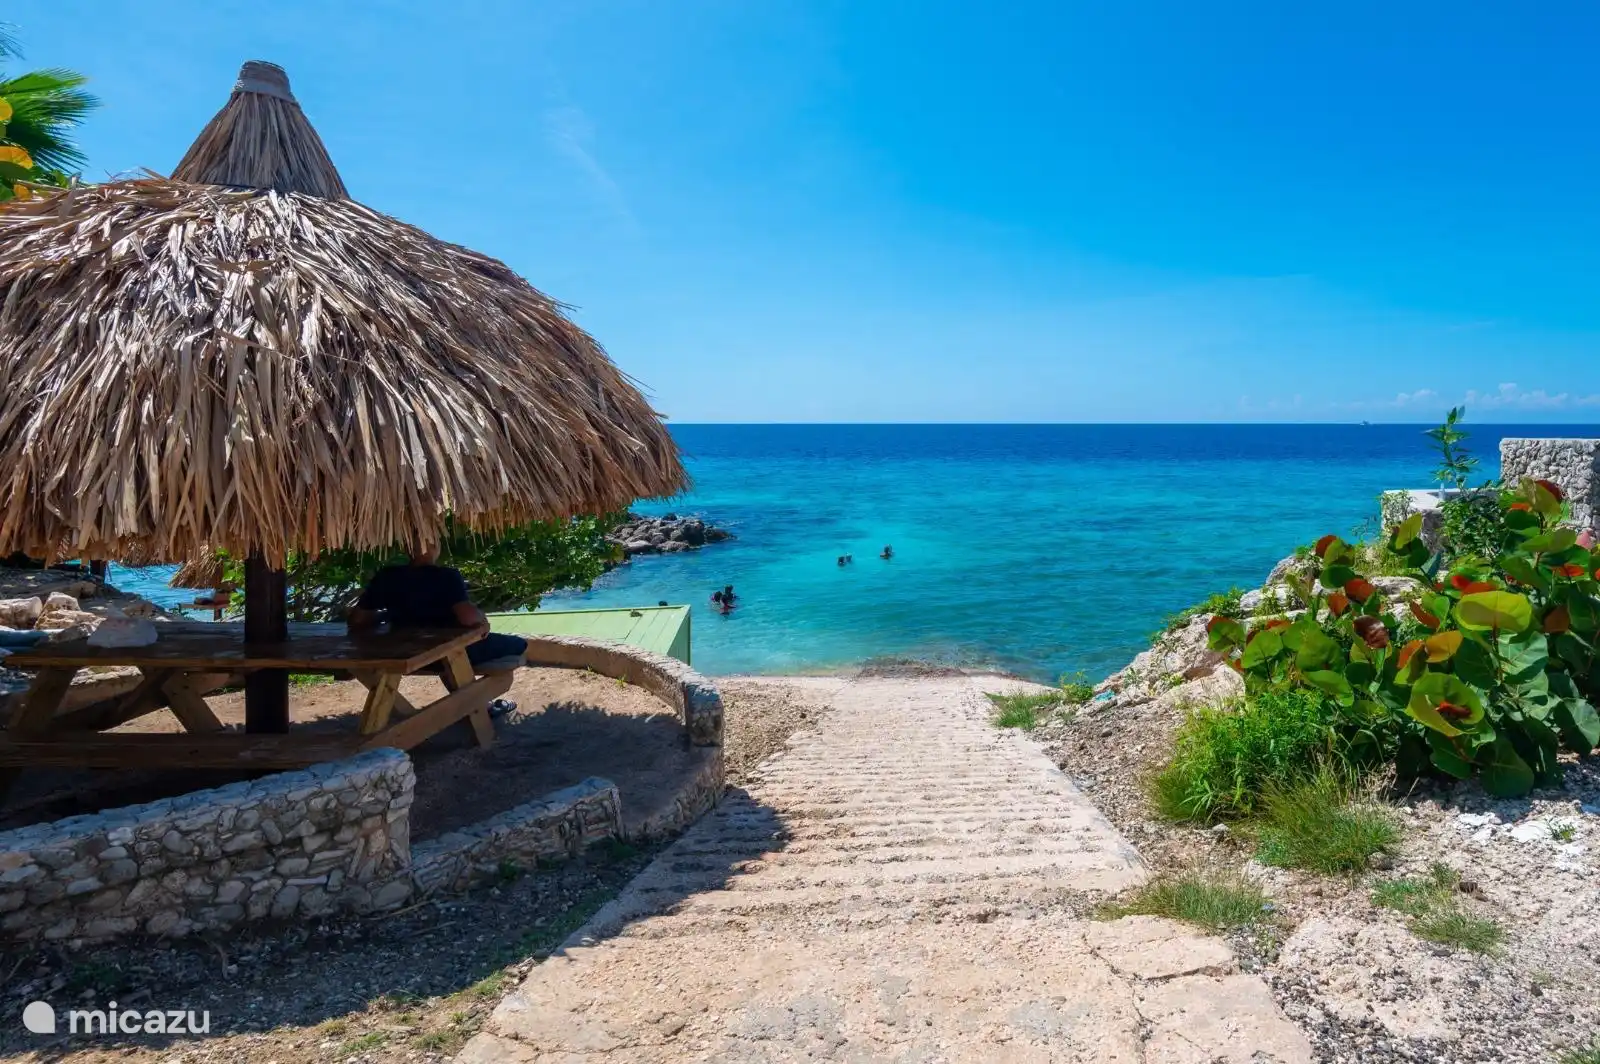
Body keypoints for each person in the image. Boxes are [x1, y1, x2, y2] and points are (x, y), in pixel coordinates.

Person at [347, 540, 528, 671]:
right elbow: (467, 617)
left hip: (402, 652)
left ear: (407, 548)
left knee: (457, 664)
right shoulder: (446, 576)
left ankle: (478, 704)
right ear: (434, 546)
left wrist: (387, 616)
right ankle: (476, 706)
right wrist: (483, 619)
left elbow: (357, 620)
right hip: (446, 653)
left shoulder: (386, 576)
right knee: (519, 644)